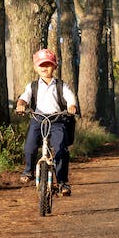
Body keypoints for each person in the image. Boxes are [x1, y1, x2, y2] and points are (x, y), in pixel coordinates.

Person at [15, 48, 79, 196]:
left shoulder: (61, 85)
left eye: (48, 64)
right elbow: (24, 97)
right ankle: (29, 170)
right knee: (30, 145)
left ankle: (62, 181)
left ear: (55, 66)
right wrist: (21, 104)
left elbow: (70, 97)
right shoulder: (32, 86)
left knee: (61, 148)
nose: (45, 68)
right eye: (41, 65)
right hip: (38, 119)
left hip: (57, 120)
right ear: (35, 67)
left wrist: (71, 106)